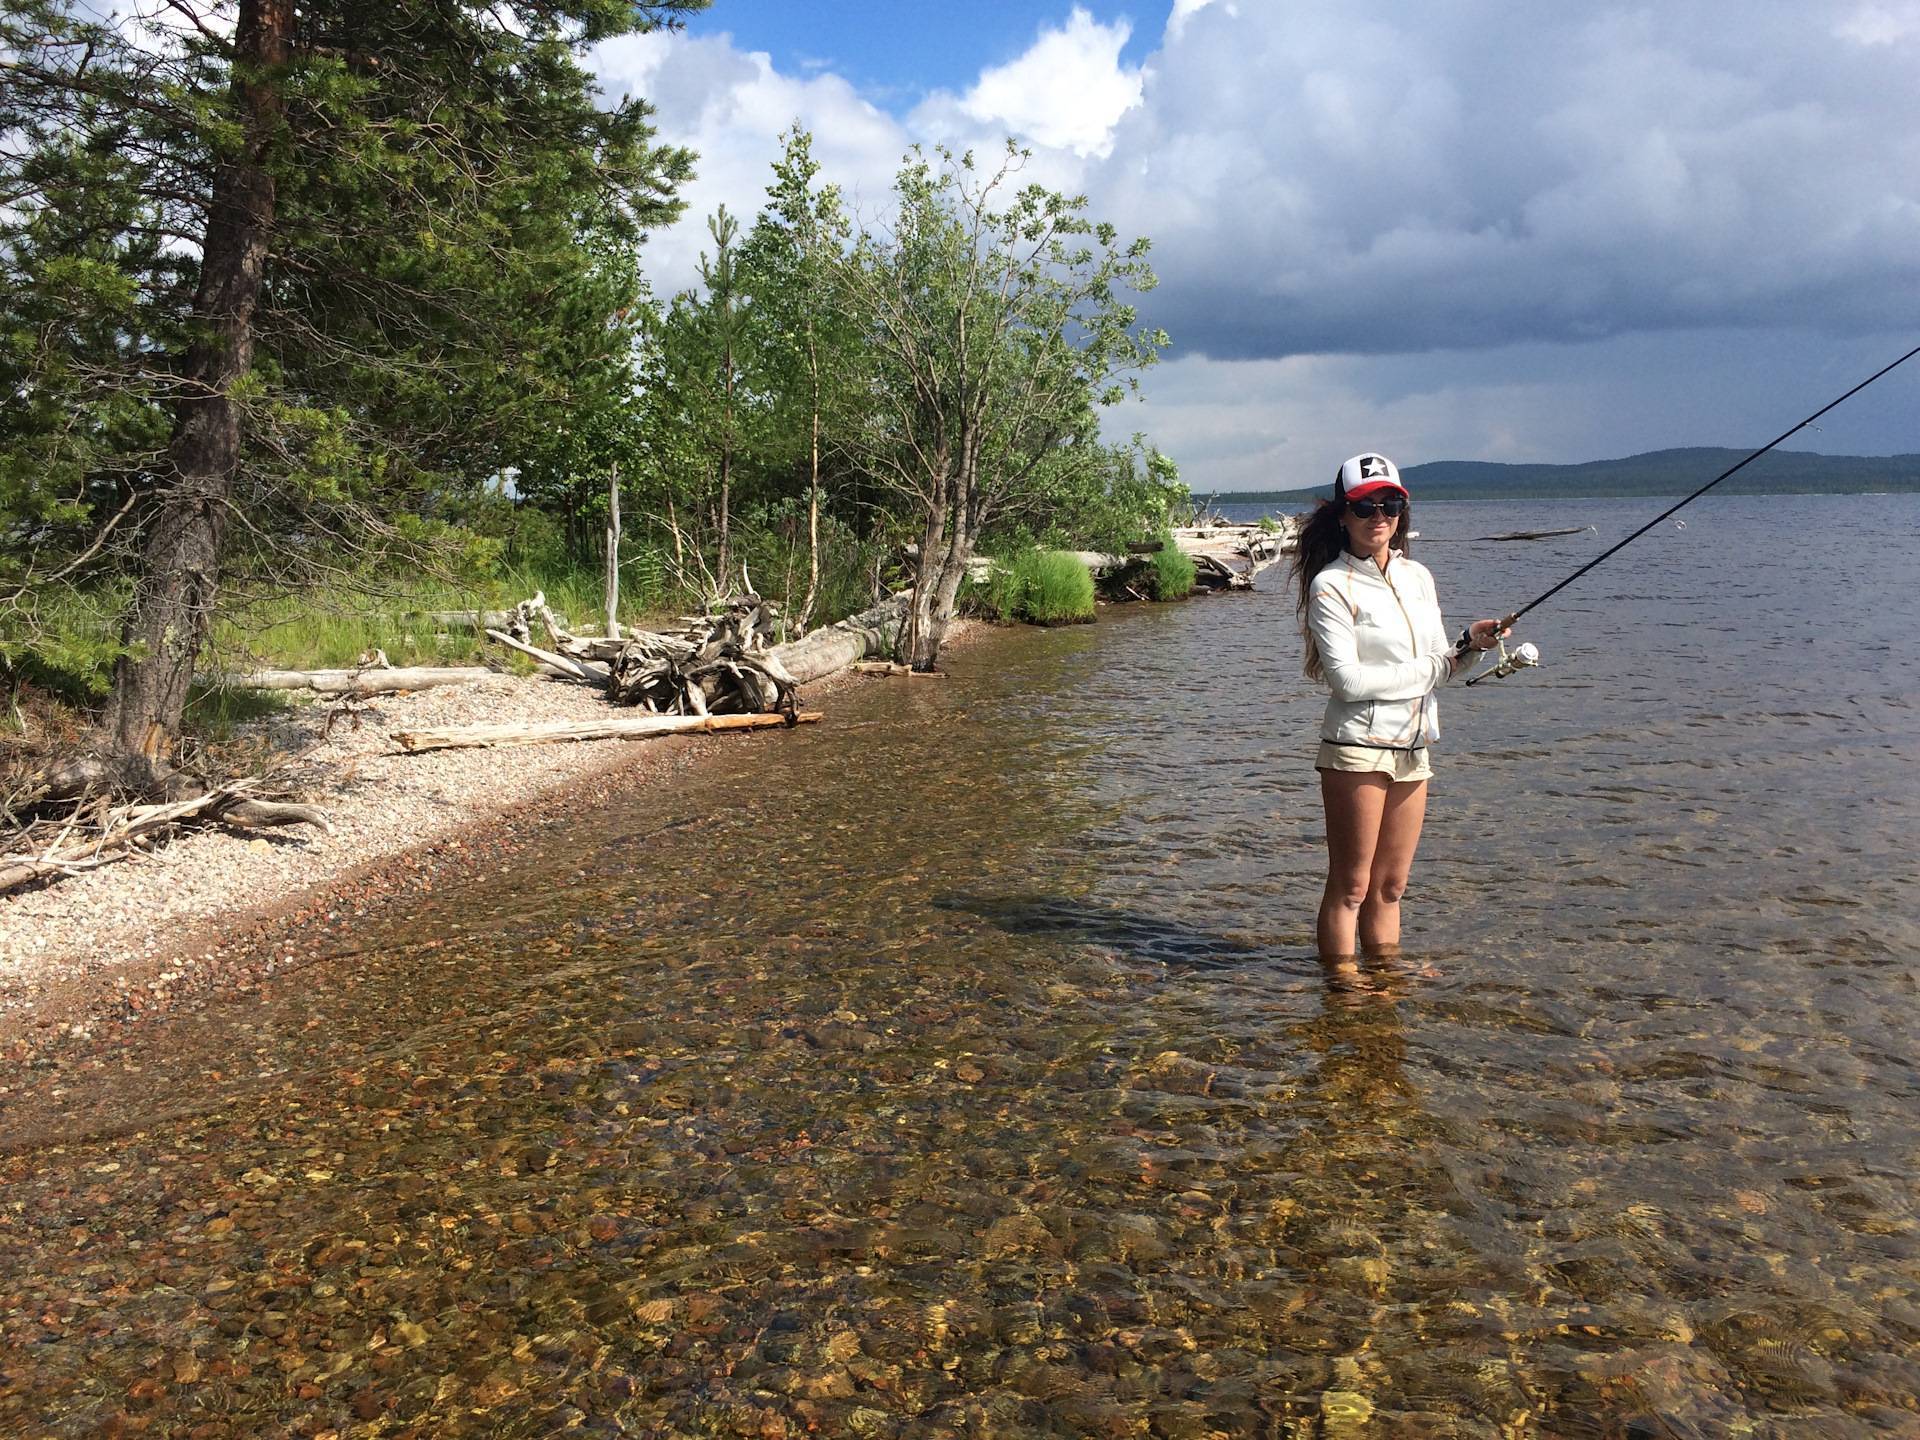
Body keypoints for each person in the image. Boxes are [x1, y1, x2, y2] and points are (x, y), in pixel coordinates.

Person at [1292, 453, 1508, 961]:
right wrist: (1436, 667)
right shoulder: (1331, 585)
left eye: (1390, 504)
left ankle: (1384, 987)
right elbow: (1347, 682)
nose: (1380, 516)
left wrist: (1471, 645)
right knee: (1351, 887)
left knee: (1391, 887)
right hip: (1356, 748)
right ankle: (1344, 996)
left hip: (1415, 749)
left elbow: (1445, 665)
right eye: (1365, 507)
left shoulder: (1419, 577)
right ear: (1343, 515)